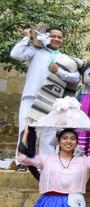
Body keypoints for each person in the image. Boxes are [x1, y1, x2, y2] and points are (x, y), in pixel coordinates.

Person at [10, 27, 81, 159]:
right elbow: (15, 54)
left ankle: (46, 163)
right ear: (46, 37)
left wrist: (59, 71)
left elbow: (76, 77)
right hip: (32, 95)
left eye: (59, 37)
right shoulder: (35, 51)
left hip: (52, 99)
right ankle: (21, 161)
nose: (56, 39)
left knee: (49, 133)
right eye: (53, 36)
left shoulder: (65, 58)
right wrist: (27, 37)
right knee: (25, 129)